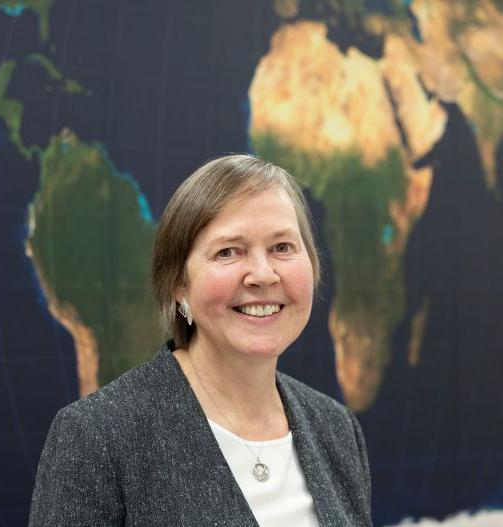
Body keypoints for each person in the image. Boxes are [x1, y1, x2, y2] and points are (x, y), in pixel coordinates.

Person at [29, 154, 372, 526]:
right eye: (228, 251)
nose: (263, 274)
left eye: (282, 247)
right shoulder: (97, 438)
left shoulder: (337, 429)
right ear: (178, 285)